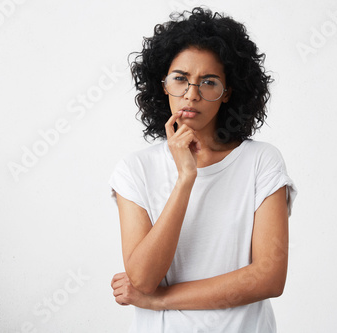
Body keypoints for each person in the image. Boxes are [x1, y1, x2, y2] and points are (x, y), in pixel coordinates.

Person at [109, 7, 297, 332]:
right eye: (180, 79)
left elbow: (269, 277)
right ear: (163, 84)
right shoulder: (135, 169)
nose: (191, 95)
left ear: (227, 94)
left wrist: (161, 300)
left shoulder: (261, 162)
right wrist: (185, 179)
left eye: (208, 82)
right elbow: (142, 277)